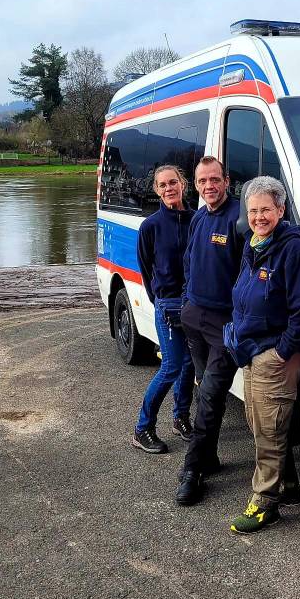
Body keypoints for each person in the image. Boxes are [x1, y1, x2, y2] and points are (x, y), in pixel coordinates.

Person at [224, 176, 300, 534]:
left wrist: (281, 353)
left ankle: (265, 503)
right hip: (251, 351)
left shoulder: (291, 249)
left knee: (268, 431)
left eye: (266, 209)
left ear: (281, 210)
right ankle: (288, 488)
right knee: (261, 425)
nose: (259, 216)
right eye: (253, 210)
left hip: (273, 355)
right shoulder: (255, 243)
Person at [175, 157, 244, 505]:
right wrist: (186, 302)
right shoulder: (200, 217)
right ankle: (210, 456)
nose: (208, 187)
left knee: (212, 394)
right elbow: (188, 262)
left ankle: (192, 470)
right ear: (196, 185)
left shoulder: (239, 218)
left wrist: (239, 319)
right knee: (205, 389)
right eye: (202, 182)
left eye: (214, 180)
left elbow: (248, 273)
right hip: (194, 319)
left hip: (225, 325)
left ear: (226, 181)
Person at [131, 164, 196, 454]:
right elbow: (146, 268)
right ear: (157, 190)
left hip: (194, 304)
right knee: (170, 367)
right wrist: (159, 298)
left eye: (173, 182)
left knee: (189, 364)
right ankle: (142, 429)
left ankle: (181, 418)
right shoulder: (151, 226)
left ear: (183, 184)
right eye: (162, 185)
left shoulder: (197, 220)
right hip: (168, 305)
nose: (169, 188)